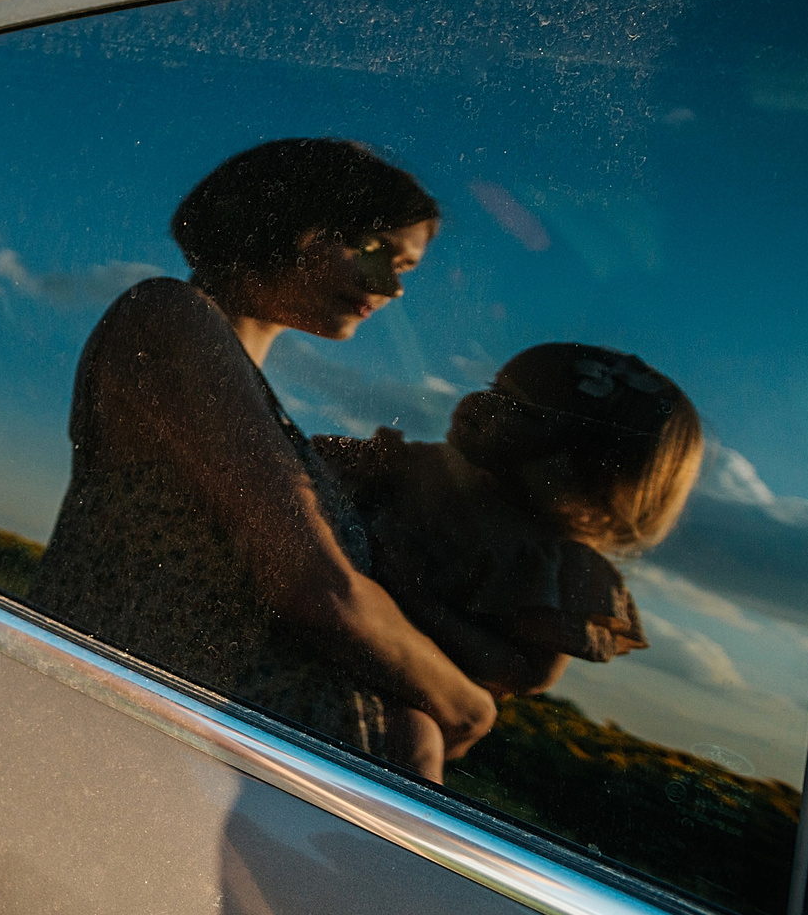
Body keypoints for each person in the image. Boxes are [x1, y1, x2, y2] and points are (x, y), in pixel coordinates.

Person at [28, 137, 496, 781]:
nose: (392, 288)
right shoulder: (170, 316)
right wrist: (468, 709)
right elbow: (320, 588)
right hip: (126, 753)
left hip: (187, 766)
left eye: (405, 270)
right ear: (301, 225)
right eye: (378, 252)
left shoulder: (247, 390)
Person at [315, 343, 704, 698]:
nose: (480, 400)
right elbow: (310, 464)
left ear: (577, 463)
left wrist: (411, 601)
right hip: (314, 620)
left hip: (396, 686)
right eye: (494, 387)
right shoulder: (424, 468)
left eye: (519, 407)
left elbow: (528, 672)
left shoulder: (561, 568)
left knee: (417, 741)